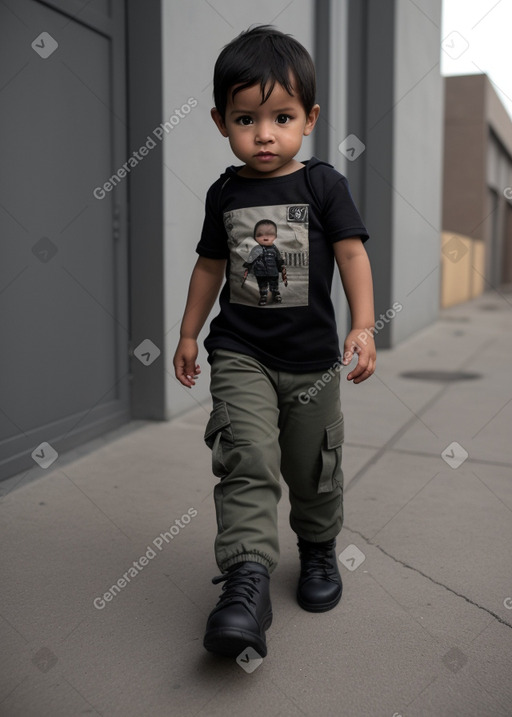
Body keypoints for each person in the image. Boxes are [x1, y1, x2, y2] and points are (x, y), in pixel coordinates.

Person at [173, 25, 376, 659]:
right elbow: (210, 266)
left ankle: (316, 551)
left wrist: (364, 325)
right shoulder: (225, 194)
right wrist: (187, 332)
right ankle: (246, 578)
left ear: (309, 118)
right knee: (247, 456)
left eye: (281, 117)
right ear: (219, 121)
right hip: (241, 352)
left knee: (313, 469)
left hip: (313, 361)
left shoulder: (323, 185)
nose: (264, 134)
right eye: (245, 118)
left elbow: (351, 253)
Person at [242, 219, 287, 305]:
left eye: (270, 234)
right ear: (254, 237)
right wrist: (248, 266)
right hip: (260, 272)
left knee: (274, 284)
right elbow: (251, 259)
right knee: (262, 285)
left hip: (273, 271)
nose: (265, 237)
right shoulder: (255, 249)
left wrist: (281, 266)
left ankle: (276, 294)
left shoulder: (274, 249)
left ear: (276, 236)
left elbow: (278, 259)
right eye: (259, 235)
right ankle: (263, 296)